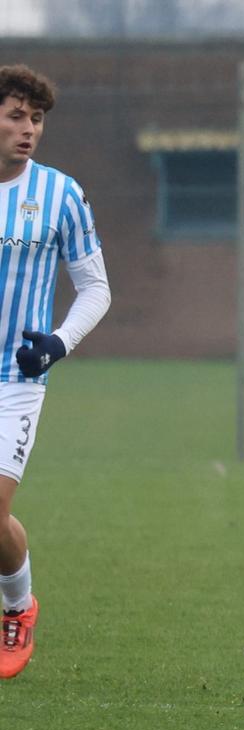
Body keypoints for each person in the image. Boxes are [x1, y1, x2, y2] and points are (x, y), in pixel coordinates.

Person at [0, 65, 112, 679]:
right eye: (16, 115)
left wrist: (57, 344)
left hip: (15, 378)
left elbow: (96, 288)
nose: (29, 130)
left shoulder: (61, 195)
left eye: (36, 119)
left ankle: (18, 608)